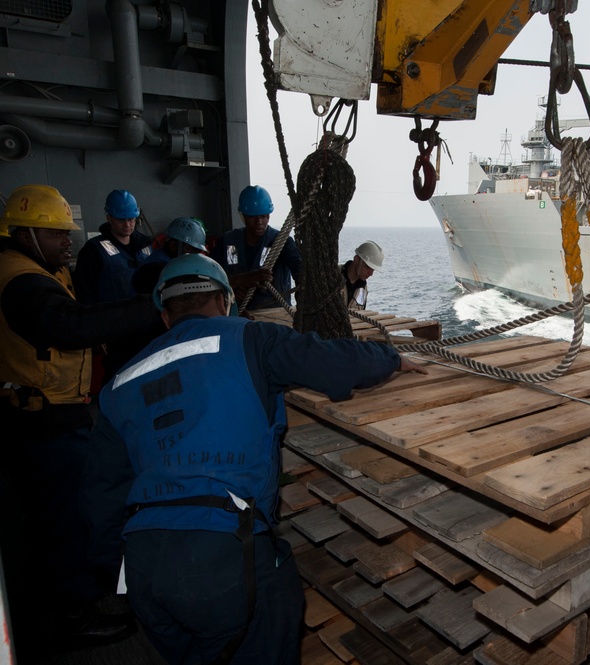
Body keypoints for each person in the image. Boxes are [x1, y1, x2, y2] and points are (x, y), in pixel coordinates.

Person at [96, 253, 426, 664]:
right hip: (223, 555)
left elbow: (101, 499)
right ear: (225, 301)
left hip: (144, 566)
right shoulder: (249, 339)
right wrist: (392, 358)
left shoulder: (116, 385)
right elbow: (333, 361)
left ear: (165, 315)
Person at [0, 184, 161, 656]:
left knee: (62, 515)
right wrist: (157, 306)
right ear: (26, 234)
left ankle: (79, 599)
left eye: (67, 233)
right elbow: (72, 326)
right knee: (67, 518)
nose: (67, 241)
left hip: (53, 413)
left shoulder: (35, 269)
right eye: (55, 235)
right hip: (44, 423)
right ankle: (73, 619)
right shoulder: (23, 282)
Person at [211, 184, 301, 310]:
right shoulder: (228, 241)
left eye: (263, 216)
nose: (259, 222)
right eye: (253, 217)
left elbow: (300, 270)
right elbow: (210, 277)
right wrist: (232, 289)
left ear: (269, 216)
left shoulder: (282, 242)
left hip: (274, 314)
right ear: (243, 216)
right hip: (237, 313)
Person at [73, 189, 153, 304]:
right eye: (120, 220)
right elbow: (85, 291)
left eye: (131, 219)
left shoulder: (146, 246)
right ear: (109, 218)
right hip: (111, 317)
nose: (127, 225)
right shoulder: (93, 249)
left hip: (145, 315)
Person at [132, 216, 208, 294]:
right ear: (173, 245)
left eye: (196, 251)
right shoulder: (157, 270)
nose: (193, 255)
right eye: (189, 249)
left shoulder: (171, 261)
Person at [342, 240, 384, 308]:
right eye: (367, 267)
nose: (371, 273)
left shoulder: (363, 289)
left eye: (373, 269)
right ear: (356, 260)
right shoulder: (333, 276)